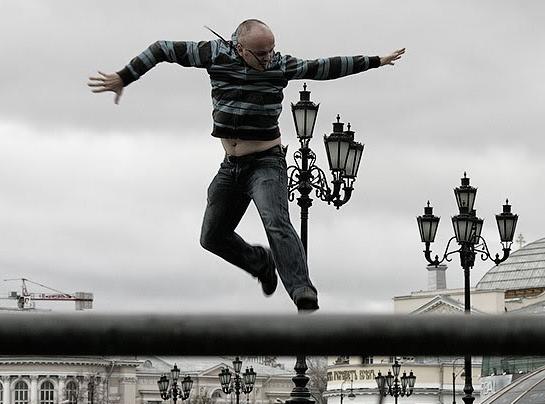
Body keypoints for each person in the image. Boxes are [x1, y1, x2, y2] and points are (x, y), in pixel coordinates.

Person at [89, 20, 405, 312]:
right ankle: (260, 264)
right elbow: (162, 49)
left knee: (275, 218)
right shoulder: (214, 54)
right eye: (260, 53)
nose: (268, 58)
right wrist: (124, 76)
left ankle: (302, 291)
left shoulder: (280, 64)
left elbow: (325, 67)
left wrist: (376, 60)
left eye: (271, 50)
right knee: (212, 237)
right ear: (240, 48)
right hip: (231, 167)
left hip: (266, 163)